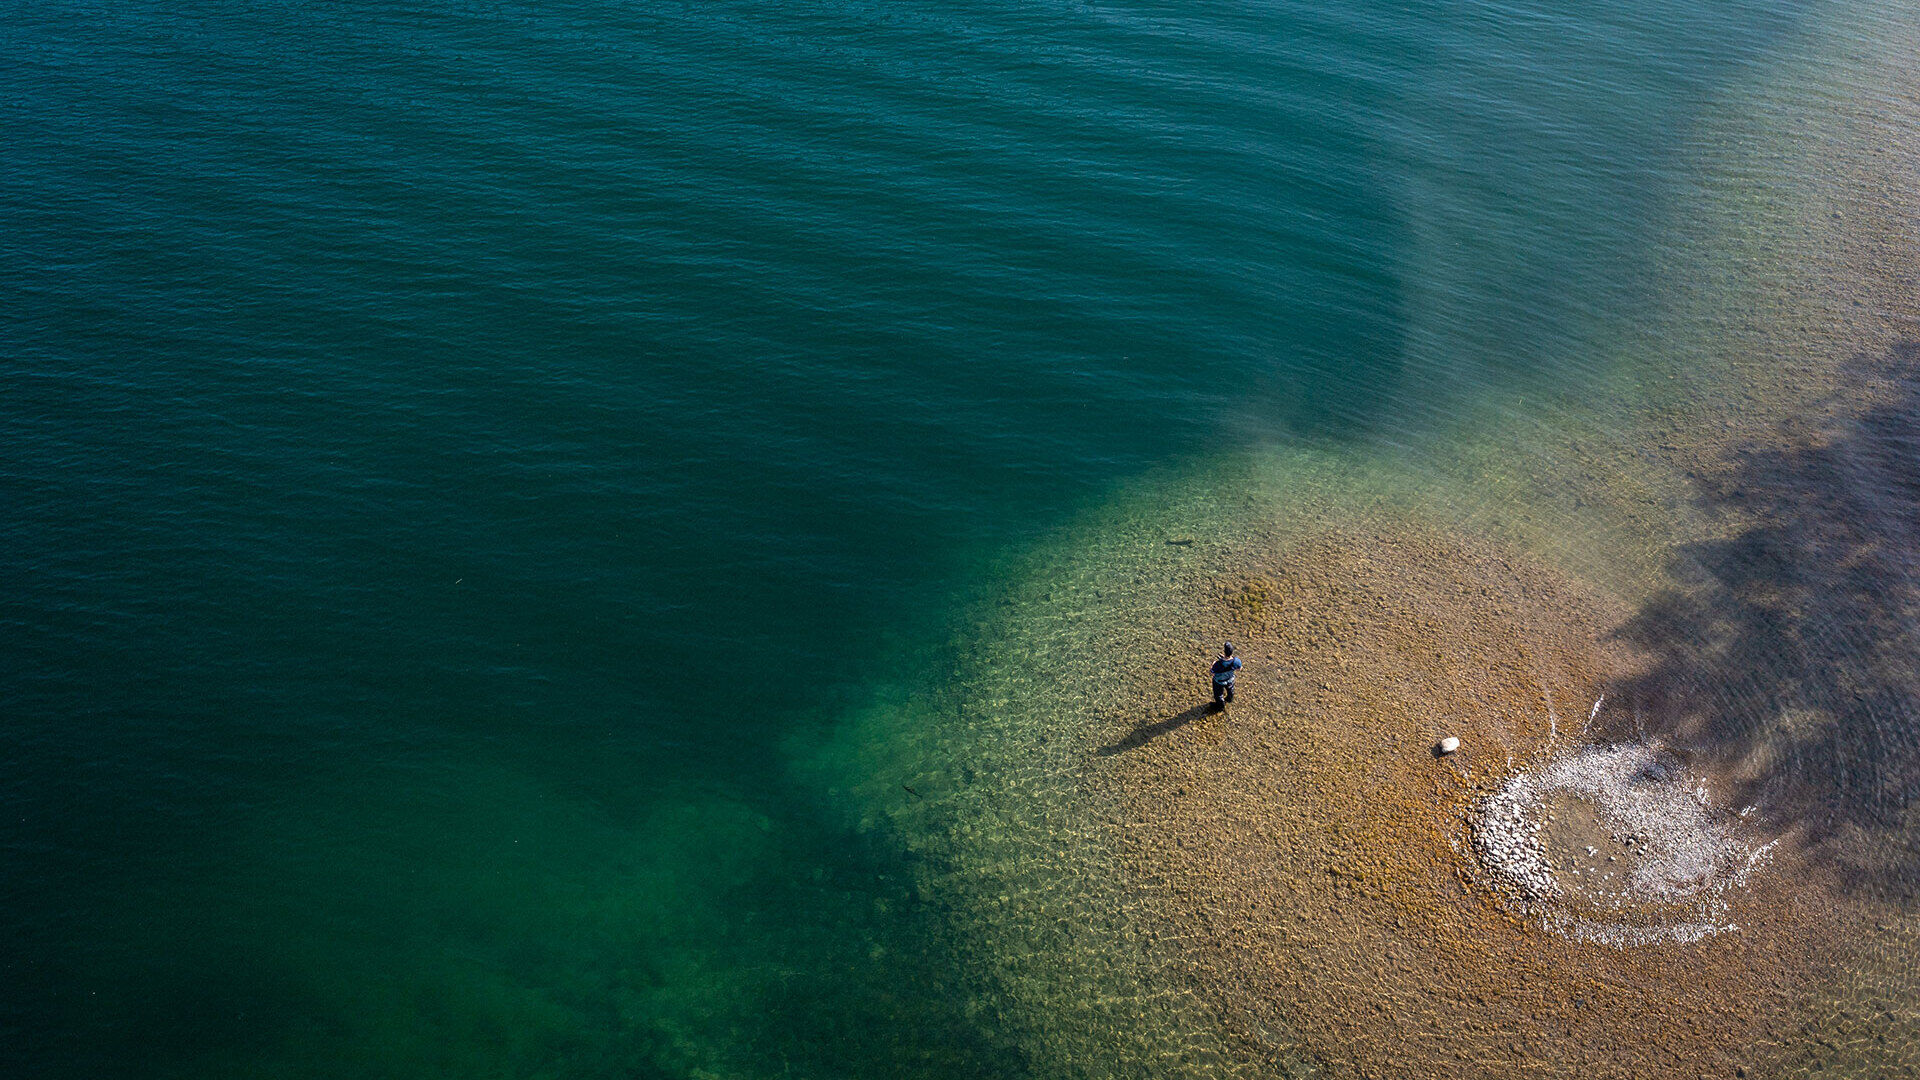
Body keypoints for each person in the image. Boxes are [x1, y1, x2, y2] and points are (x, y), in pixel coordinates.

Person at [1209, 642, 1241, 707]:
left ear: (1224, 652)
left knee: (1218, 695)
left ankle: (1220, 706)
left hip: (1219, 682)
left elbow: (1211, 673)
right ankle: (1229, 699)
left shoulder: (1217, 664)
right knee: (1230, 690)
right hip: (1230, 679)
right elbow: (1239, 669)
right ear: (1232, 652)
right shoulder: (1236, 661)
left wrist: (1213, 664)